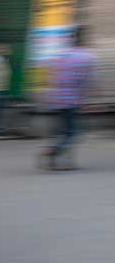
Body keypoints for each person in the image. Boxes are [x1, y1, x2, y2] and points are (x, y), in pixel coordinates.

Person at [39, 27, 94, 170]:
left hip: (56, 99)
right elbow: (86, 81)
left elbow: (50, 78)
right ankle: (52, 151)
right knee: (72, 133)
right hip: (72, 100)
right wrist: (85, 99)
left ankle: (65, 161)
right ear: (83, 39)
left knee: (62, 132)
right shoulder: (85, 56)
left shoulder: (59, 56)